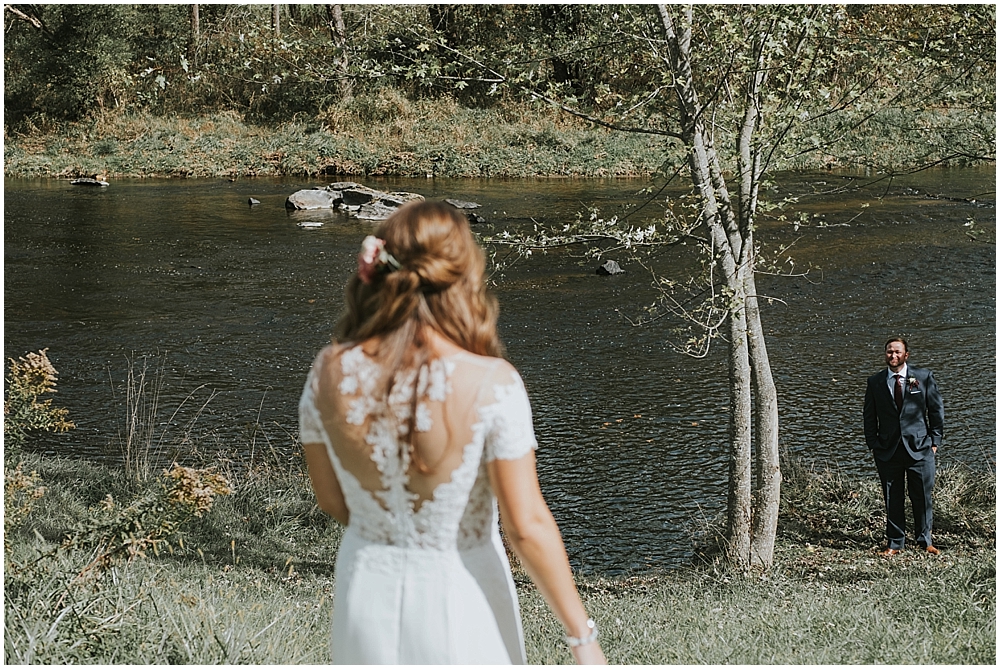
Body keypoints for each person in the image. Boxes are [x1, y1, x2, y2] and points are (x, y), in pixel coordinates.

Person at [298, 200, 606, 664]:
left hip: (365, 591)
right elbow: (525, 526)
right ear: (462, 276)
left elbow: (332, 502)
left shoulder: (328, 371)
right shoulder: (492, 382)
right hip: (460, 594)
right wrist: (583, 639)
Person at [863, 337, 944, 556]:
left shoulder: (923, 377)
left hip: (920, 449)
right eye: (889, 352)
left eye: (897, 352)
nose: (893, 356)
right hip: (888, 451)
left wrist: (934, 442)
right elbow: (869, 417)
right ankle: (895, 542)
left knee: (922, 496)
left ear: (906, 355)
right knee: (892, 496)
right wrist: (874, 445)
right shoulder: (875, 382)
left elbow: (935, 411)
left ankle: (924, 540)